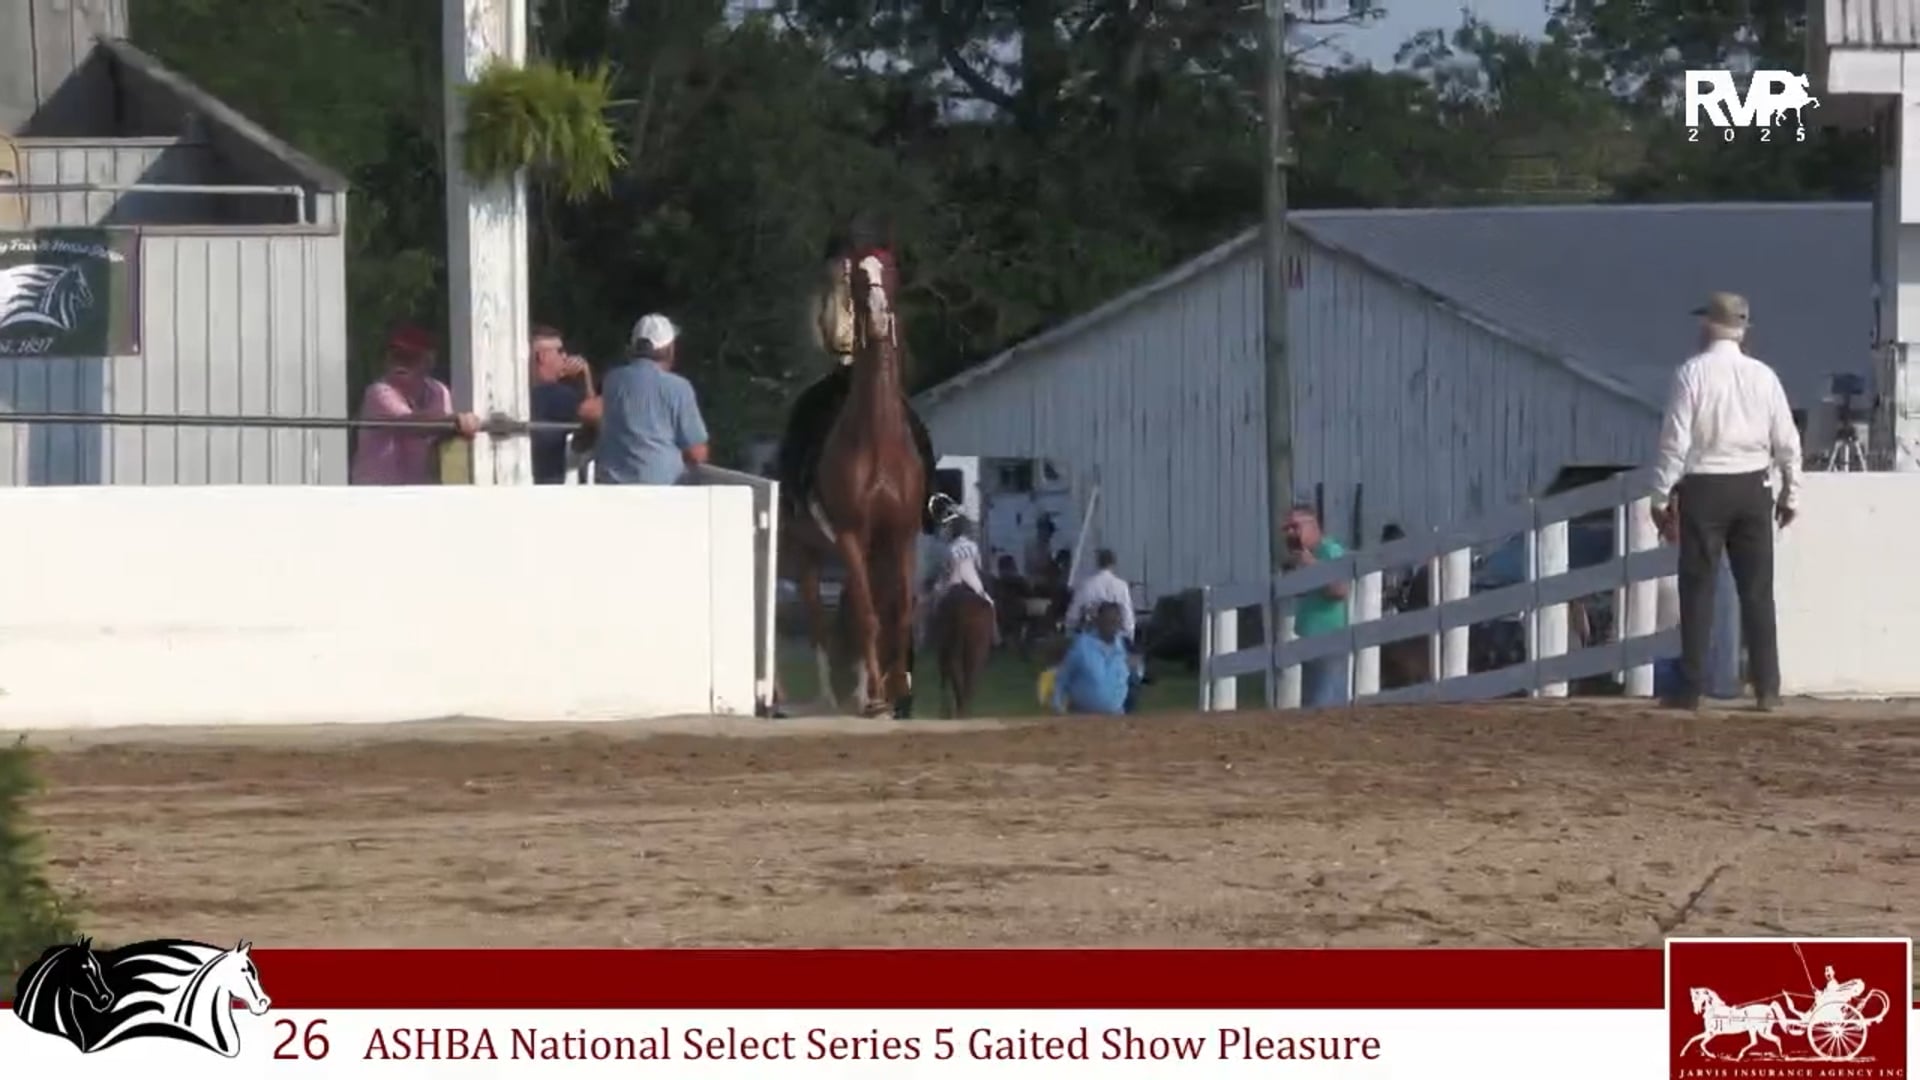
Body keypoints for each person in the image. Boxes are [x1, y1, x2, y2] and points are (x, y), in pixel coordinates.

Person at [1649, 291, 1801, 712]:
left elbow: (1674, 441)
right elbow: (1787, 441)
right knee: (1757, 589)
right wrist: (1791, 492)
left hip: (1704, 486)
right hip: (1753, 485)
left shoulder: (1691, 374)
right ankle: (1767, 686)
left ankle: (1690, 685)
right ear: (1742, 330)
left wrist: (1660, 495)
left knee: (1698, 587)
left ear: (1708, 326)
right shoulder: (1764, 376)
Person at [776, 222, 941, 532]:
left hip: (873, 372)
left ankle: (932, 499)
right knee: (804, 414)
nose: (844, 267)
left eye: (847, 260)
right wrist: (845, 350)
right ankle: (794, 491)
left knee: (916, 427)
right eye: (840, 261)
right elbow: (820, 337)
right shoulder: (825, 299)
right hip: (841, 370)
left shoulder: (870, 293)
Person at [583, 314, 710, 486]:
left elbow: (590, 415)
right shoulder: (679, 387)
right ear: (669, 349)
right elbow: (696, 454)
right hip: (661, 489)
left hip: (612, 488)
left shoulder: (613, 380)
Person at [351, 325, 479, 485]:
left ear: (429, 361)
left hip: (418, 493)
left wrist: (460, 427)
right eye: (395, 356)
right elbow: (412, 424)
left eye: (410, 357)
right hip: (376, 494)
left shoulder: (439, 391)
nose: (400, 364)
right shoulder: (378, 392)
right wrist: (457, 421)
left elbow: (443, 434)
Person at [1284, 504, 1351, 708]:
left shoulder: (1330, 551)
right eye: (1286, 529)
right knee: (1312, 708)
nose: (1290, 533)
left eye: (1295, 527)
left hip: (1330, 641)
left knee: (1324, 708)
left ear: (1313, 525)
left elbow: (1341, 589)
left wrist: (1312, 566)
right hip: (1310, 641)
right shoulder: (1305, 557)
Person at [528, 324, 597, 485]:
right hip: (550, 484)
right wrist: (585, 377)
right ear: (542, 357)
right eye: (560, 351)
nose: (565, 356)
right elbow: (594, 417)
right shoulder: (558, 396)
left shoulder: (523, 394)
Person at [919, 514, 997, 645]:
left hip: (954, 581)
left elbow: (947, 569)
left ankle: (931, 636)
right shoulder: (973, 546)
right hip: (974, 585)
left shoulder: (950, 548)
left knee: (935, 603)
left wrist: (938, 585)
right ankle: (995, 636)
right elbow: (979, 566)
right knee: (990, 604)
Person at [1050, 601, 1136, 716]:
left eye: (1115, 621)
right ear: (1098, 621)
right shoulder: (1082, 646)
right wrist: (1057, 704)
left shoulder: (1123, 647)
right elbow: (1063, 676)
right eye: (1108, 621)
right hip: (1082, 718)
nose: (1112, 625)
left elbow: (1130, 679)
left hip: (1115, 718)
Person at [1065, 548, 1136, 642]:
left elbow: (1073, 615)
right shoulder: (1122, 586)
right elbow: (1127, 616)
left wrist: (1069, 632)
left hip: (1091, 637)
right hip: (1114, 638)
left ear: (1097, 564)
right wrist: (1129, 636)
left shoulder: (1086, 585)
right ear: (1113, 564)